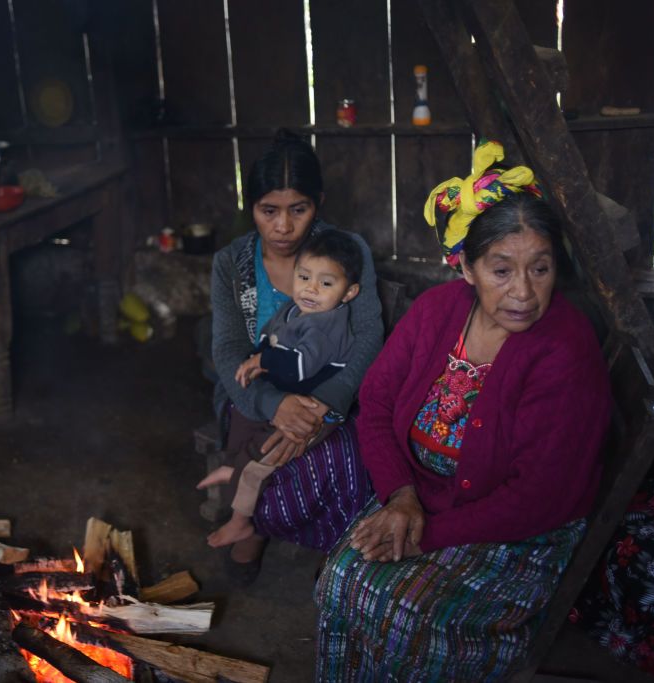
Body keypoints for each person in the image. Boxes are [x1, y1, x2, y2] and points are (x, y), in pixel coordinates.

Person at [314, 141, 612, 681]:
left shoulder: (564, 351)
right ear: (467, 268)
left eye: (540, 269)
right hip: (423, 499)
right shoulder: (437, 311)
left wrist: (425, 533)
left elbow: (536, 500)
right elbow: (377, 399)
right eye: (502, 270)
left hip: (519, 535)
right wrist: (403, 498)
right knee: (340, 580)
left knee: (399, 609)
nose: (524, 292)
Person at [208, 130, 384, 581]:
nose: (283, 227)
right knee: (265, 441)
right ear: (252, 207)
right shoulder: (231, 264)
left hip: (331, 389)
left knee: (337, 458)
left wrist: (325, 405)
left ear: (318, 203)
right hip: (255, 390)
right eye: (269, 211)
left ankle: (337, 566)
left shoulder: (344, 253)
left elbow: (367, 337)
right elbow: (229, 350)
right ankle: (252, 532)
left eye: (298, 210)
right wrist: (276, 404)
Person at [199, 230, 363, 549]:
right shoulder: (295, 308)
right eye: (304, 277)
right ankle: (234, 469)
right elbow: (270, 335)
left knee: (265, 456)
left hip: (315, 411)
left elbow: (299, 365)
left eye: (326, 284)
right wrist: (257, 354)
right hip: (289, 392)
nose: (311, 289)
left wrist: (263, 360)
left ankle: (240, 523)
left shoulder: (326, 325)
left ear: (349, 292)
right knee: (242, 418)